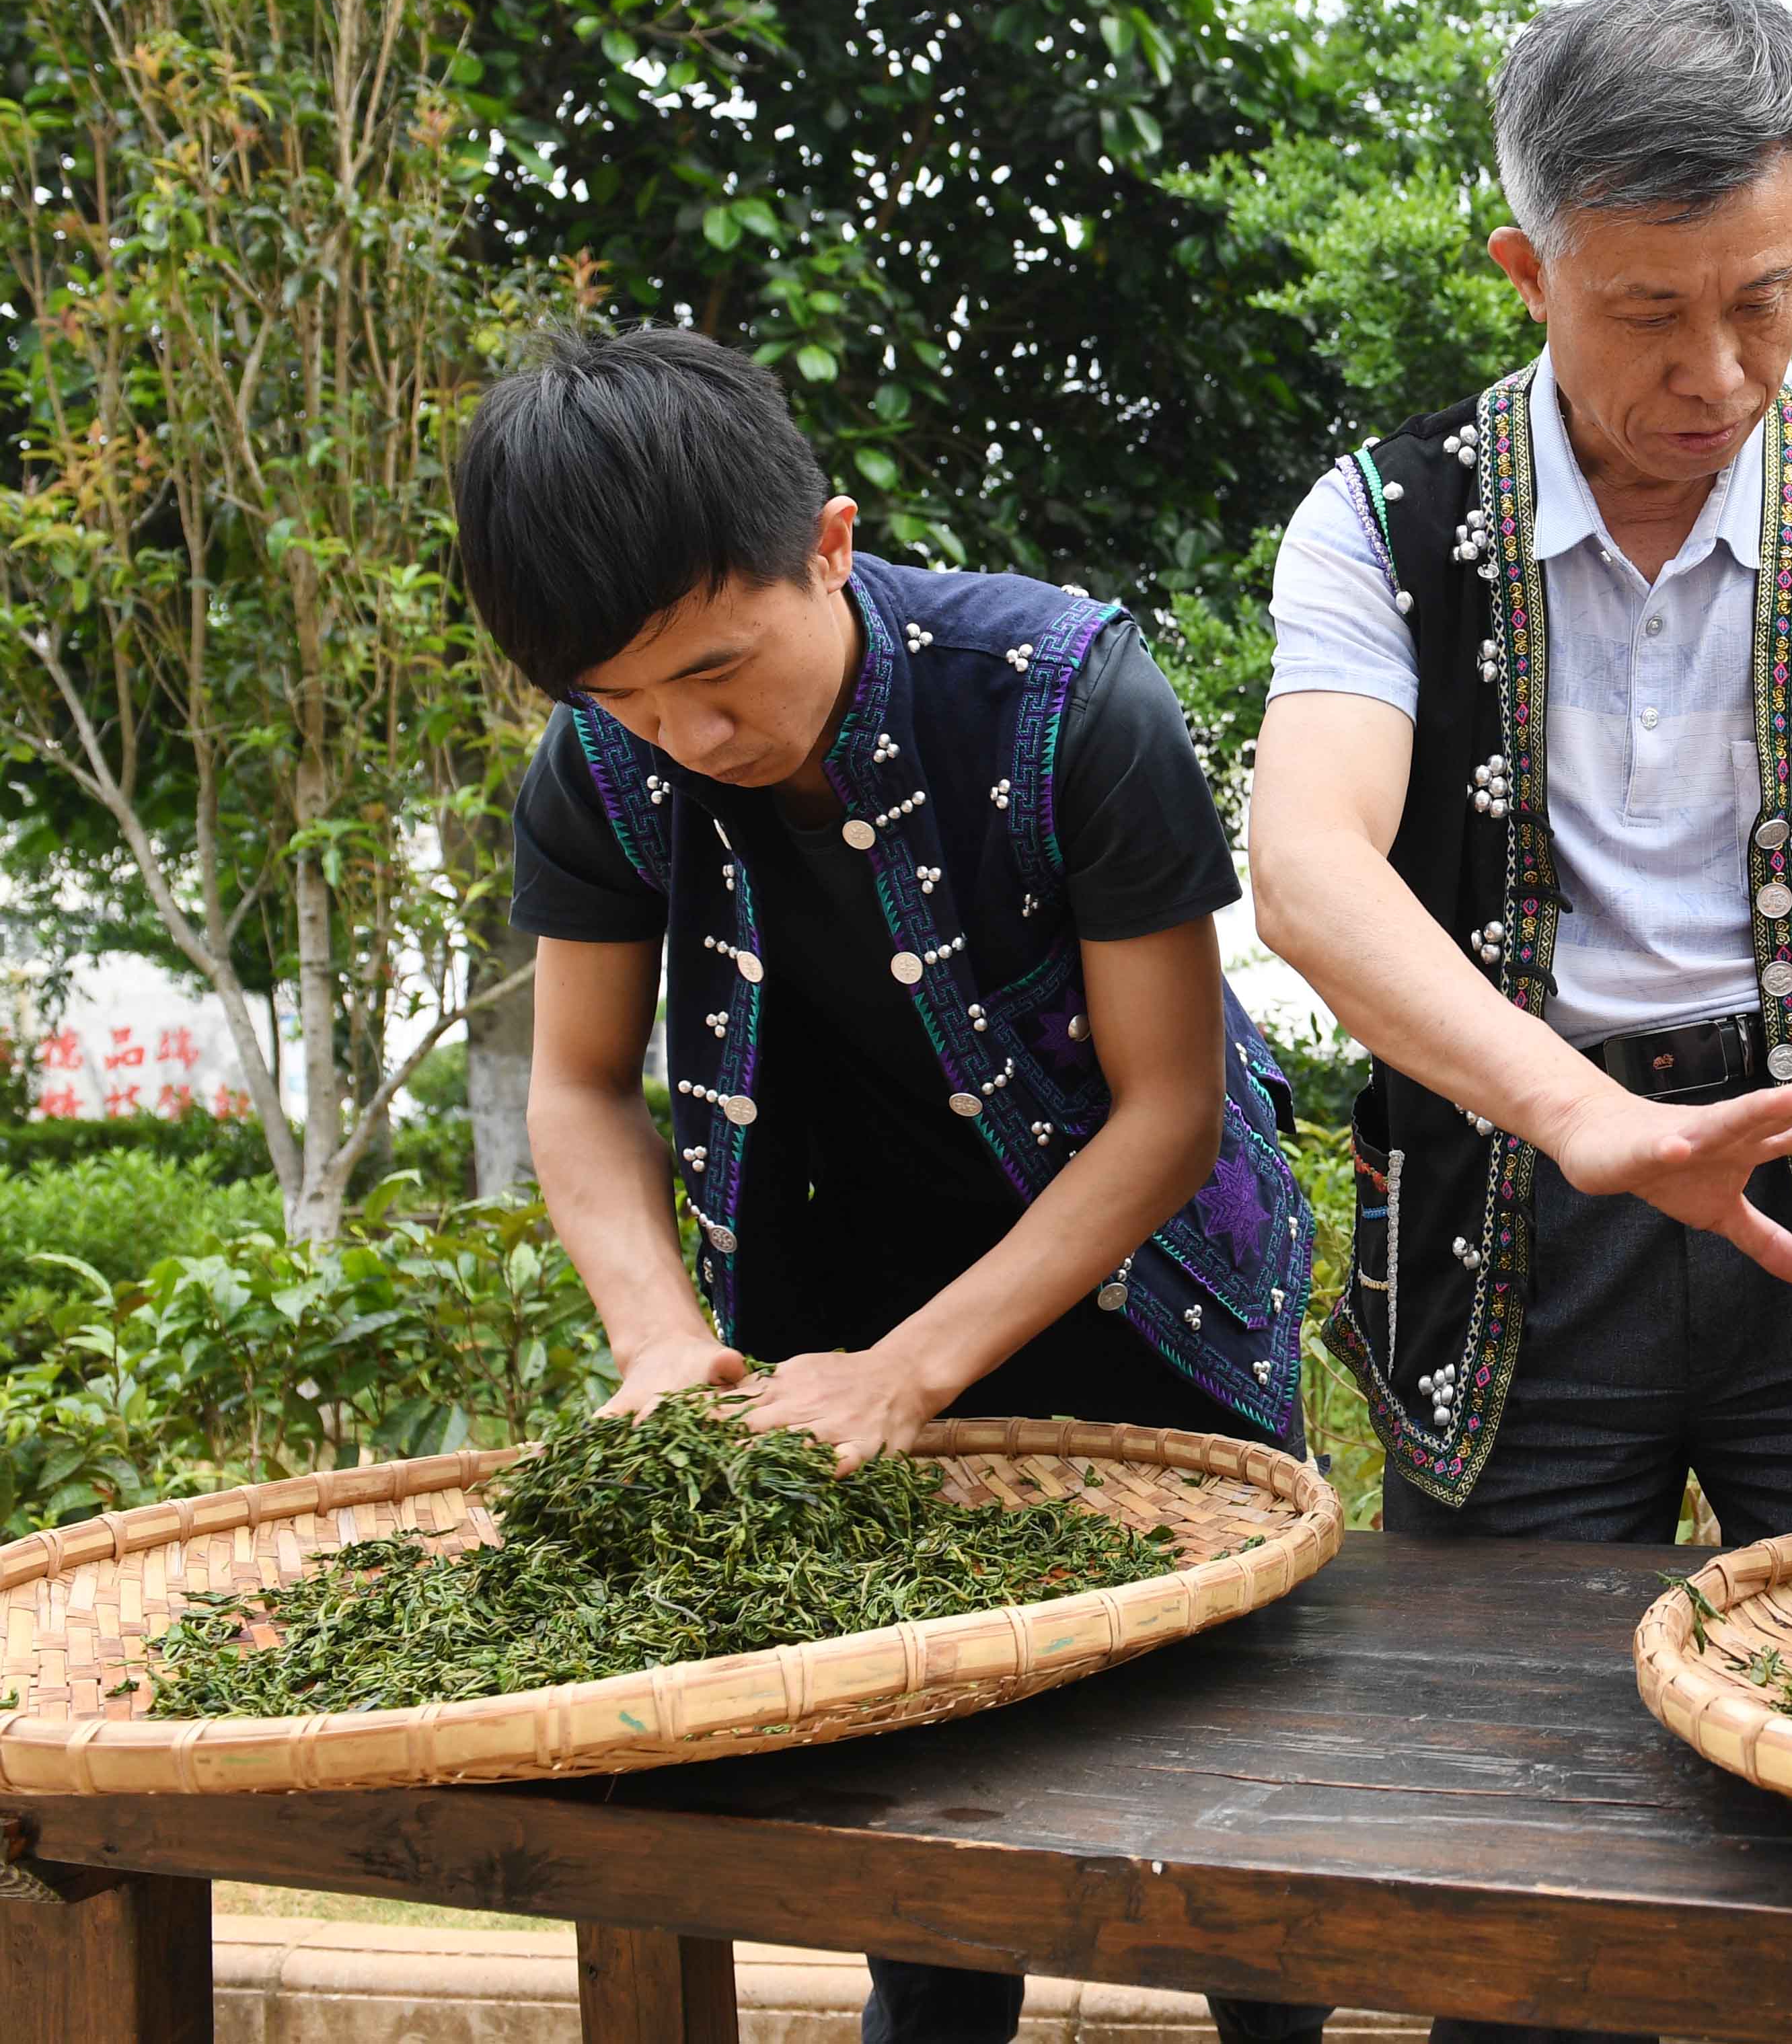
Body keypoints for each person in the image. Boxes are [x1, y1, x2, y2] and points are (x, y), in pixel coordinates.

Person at [1247, 0, 1792, 2022]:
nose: (1718, 368)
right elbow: (1307, 860)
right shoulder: (1379, 517)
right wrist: (1578, 1111)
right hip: (1520, 1210)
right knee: (1500, 1799)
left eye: (1761, 298)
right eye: (1645, 314)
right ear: (1525, 268)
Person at [456, 326, 1331, 2044]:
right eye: (621, 702)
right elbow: (577, 1086)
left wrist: (917, 1372)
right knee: (917, 1871)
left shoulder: (1068, 694)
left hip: (1144, 1293)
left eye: (718, 668)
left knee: (1233, 1836)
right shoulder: (600, 772)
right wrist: (654, 1340)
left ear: (832, 544)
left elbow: (1168, 1112)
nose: (685, 734)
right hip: (825, 1302)